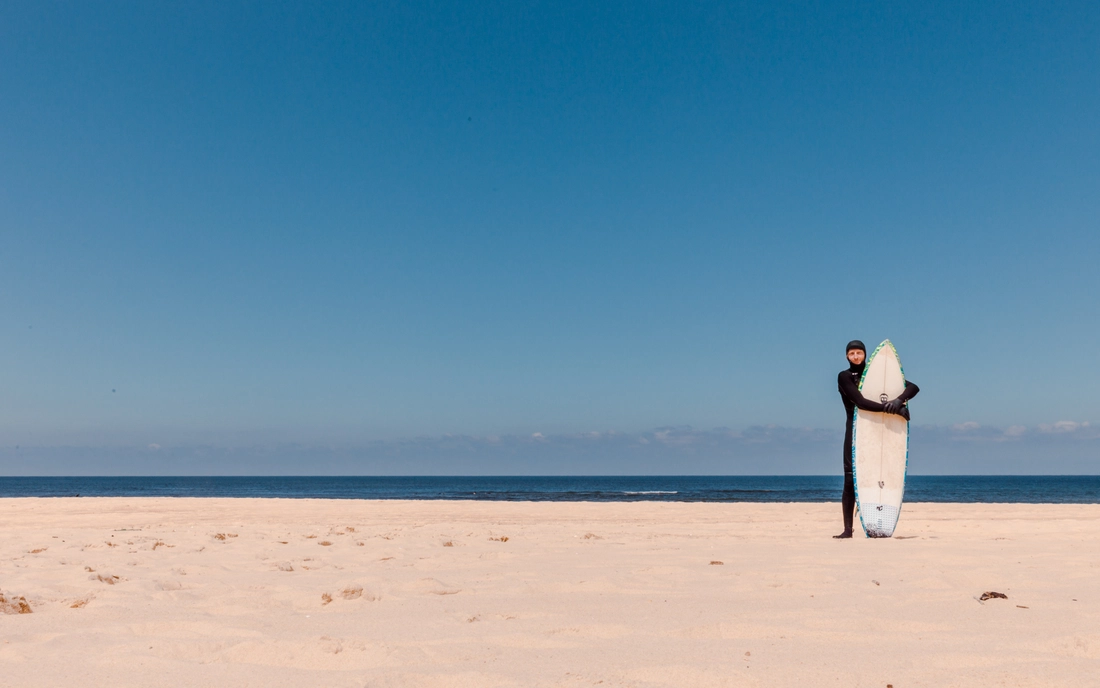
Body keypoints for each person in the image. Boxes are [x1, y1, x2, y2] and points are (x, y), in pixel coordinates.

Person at [834, 340, 919, 538]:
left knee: (879, 473)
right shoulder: (844, 376)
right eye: (852, 353)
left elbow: (914, 387)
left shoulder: (876, 375)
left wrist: (898, 400)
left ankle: (877, 518)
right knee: (849, 480)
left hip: (880, 432)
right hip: (857, 431)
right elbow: (861, 402)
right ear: (847, 356)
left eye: (859, 353)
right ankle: (848, 529)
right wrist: (895, 409)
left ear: (865, 354)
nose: (855, 356)